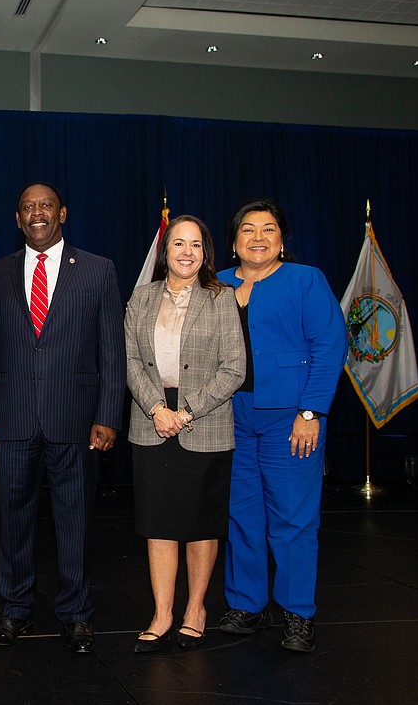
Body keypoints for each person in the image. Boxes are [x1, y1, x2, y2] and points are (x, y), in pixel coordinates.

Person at [0, 182, 124, 654]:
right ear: (17, 219)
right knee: (14, 522)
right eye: (27, 207)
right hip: (12, 419)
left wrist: (109, 415)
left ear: (62, 213)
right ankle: (14, 610)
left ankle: (76, 615)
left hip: (77, 419)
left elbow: (111, 352)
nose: (37, 213)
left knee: (74, 522)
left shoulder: (98, 271)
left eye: (45, 205)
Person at [216, 197, 347, 653]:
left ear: (282, 239)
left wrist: (311, 412)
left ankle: (297, 613)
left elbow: (330, 346)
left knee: (292, 518)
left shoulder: (306, 280)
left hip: (290, 419)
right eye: (248, 230)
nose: (258, 238)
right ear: (233, 242)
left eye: (268, 229)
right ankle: (248, 605)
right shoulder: (215, 284)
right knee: (241, 516)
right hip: (230, 417)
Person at [123, 215, 245, 652]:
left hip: (204, 423)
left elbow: (235, 368)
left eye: (196, 244)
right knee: (159, 524)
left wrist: (186, 411)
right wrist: (158, 408)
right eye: (178, 243)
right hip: (151, 421)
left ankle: (196, 609)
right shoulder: (140, 297)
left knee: (200, 524)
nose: (187, 252)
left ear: (206, 252)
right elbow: (131, 361)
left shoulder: (222, 298)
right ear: (165, 250)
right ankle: (162, 613)